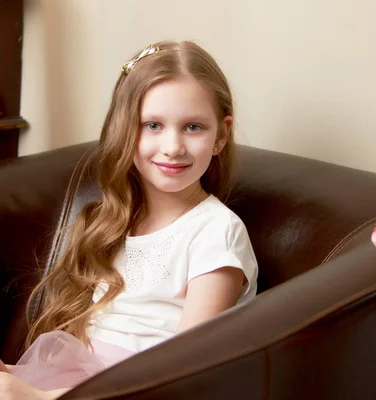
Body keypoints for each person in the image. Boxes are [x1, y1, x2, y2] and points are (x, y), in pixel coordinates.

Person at [0, 40, 259, 399]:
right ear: (126, 130)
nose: (173, 146)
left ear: (221, 135)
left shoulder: (216, 232)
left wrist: (32, 396)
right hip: (81, 384)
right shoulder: (119, 220)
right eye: (153, 125)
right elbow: (90, 354)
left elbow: (186, 370)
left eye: (193, 127)